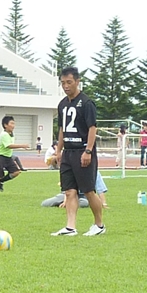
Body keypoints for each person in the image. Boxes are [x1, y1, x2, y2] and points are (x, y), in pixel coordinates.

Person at [51, 66, 105, 237]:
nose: (66, 86)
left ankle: (99, 225)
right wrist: (58, 150)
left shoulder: (86, 103)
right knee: (69, 191)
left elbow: (92, 128)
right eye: (63, 83)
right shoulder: (62, 104)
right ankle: (70, 227)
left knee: (88, 190)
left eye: (69, 82)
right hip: (68, 152)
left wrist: (88, 151)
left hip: (83, 151)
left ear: (77, 81)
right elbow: (62, 129)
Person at [0, 116, 30, 196]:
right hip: (0, 156)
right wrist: (22, 145)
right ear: (5, 125)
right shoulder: (4, 134)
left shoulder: (11, 134)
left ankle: (1, 181)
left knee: (16, 172)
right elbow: (8, 146)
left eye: (14, 123)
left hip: (8, 157)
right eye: (11, 123)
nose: (13, 125)